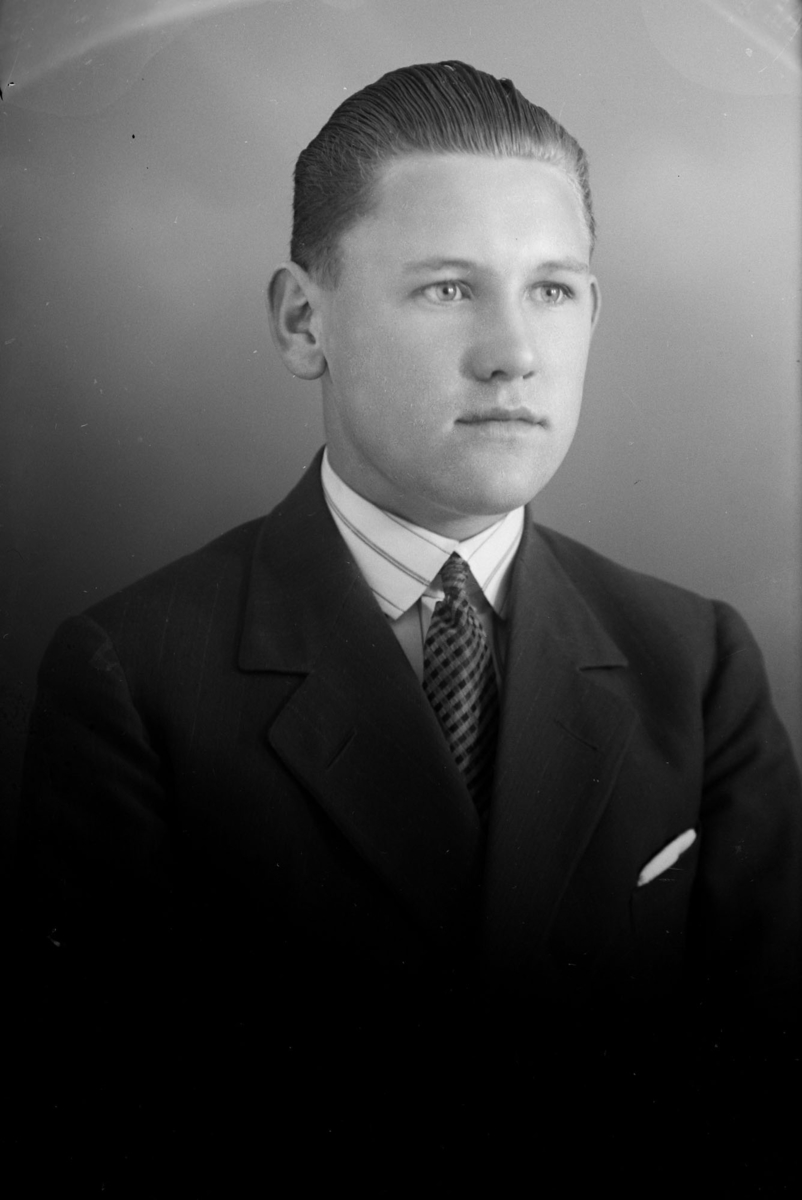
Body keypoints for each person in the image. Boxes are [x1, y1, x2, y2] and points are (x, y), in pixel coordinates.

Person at [15, 61, 801, 1187]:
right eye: (446, 289)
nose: (513, 352)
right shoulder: (133, 678)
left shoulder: (699, 662)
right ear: (304, 322)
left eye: (552, 289)